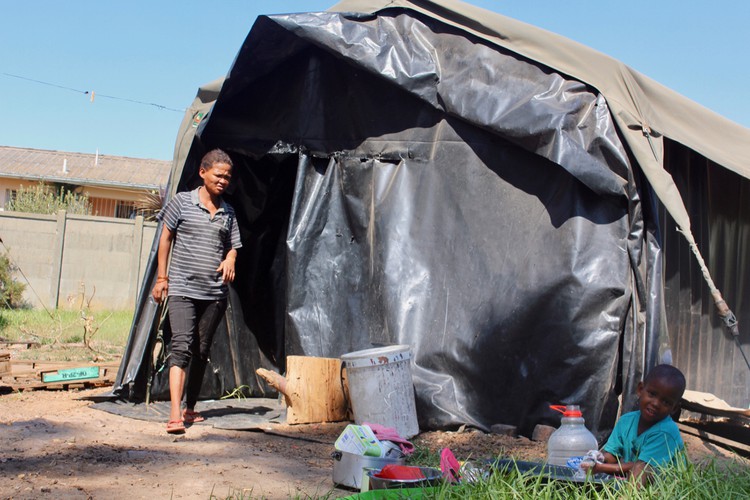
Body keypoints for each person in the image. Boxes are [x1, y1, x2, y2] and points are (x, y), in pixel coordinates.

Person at [152, 149, 242, 434]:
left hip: (214, 293)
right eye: (218, 175)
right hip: (182, 288)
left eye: (227, 177)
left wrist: (230, 259)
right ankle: (174, 414)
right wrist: (162, 278)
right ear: (203, 173)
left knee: (201, 350)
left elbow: (233, 246)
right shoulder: (182, 202)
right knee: (180, 346)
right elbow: (165, 238)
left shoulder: (228, 211)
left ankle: (191, 408)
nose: (223, 181)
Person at [581, 364, 686, 484]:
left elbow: (641, 468)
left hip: (662, 486)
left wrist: (599, 468)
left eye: (666, 402)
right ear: (640, 389)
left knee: (640, 468)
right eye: (652, 394)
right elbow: (612, 455)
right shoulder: (626, 421)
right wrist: (599, 458)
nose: (656, 404)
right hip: (631, 479)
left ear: (674, 408)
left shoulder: (666, 431)